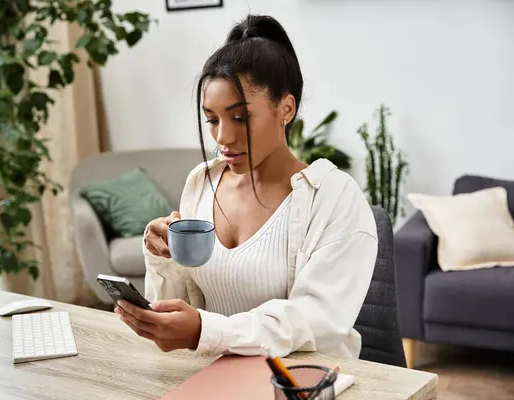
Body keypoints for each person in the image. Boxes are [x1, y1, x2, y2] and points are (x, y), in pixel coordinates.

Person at [115, 14, 378, 359]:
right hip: (207, 375)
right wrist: (162, 258)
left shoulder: (334, 198)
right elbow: (182, 305)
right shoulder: (201, 183)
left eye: (240, 117)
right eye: (211, 119)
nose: (222, 137)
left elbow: (315, 321)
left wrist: (205, 332)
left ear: (285, 108)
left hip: (296, 383)